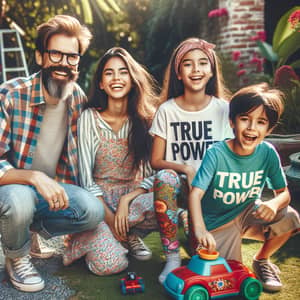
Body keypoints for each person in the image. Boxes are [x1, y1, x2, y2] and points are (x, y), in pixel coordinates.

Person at [0, 15, 104, 292]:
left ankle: (26, 232)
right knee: (19, 198)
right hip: (10, 189)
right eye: (56, 53)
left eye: (72, 57)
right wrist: (33, 177)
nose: (64, 64)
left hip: (46, 193)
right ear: (40, 56)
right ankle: (17, 257)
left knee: (92, 210)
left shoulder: (77, 99)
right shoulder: (11, 94)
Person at [189, 83, 300, 292]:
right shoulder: (216, 153)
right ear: (232, 122)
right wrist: (200, 229)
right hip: (216, 224)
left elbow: (283, 193)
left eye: (260, 122)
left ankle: (261, 260)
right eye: (244, 119)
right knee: (224, 282)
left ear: (269, 129)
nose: (251, 128)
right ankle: (188, 226)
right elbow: (195, 194)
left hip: (248, 213)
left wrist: (274, 204)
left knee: (290, 217)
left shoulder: (267, 153)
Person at [63, 47, 159, 275]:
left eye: (123, 72)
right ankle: (83, 242)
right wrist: (112, 218)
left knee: (166, 200)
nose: (116, 78)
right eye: (109, 73)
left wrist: (128, 198)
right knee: (111, 264)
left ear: (133, 79)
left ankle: (129, 236)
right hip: (97, 204)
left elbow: (154, 173)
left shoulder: (147, 119)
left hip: (132, 202)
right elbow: (85, 179)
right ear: (100, 83)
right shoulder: (90, 117)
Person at [149, 37, 233, 283]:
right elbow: (156, 160)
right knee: (164, 177)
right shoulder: (167, 110)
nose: (196, 70)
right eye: (188, 64)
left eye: (202, 63)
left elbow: (230, 156)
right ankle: (172, 257)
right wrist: (185, 168)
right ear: (178, 72)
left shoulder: (224, 109)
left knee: (204, 253)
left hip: (210, 194)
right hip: (177, 189)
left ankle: (191, 225)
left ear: (211, 70)